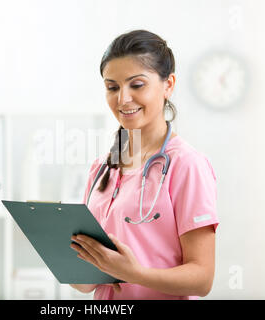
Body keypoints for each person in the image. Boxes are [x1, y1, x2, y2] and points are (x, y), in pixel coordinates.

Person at [69, 29, 219, 300]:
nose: (123, 99)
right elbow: (86, 283)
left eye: (137, 85)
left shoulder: (187, 165)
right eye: (112, 87)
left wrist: (133, 273)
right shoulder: (101, 168)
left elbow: (202, 278)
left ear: (168, 85)